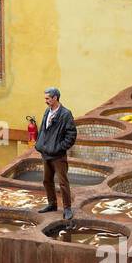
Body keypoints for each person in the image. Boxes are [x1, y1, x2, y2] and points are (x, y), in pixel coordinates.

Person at [34, 87, 78, 221]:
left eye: (47, 98)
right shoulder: (47, 111)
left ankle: (67, 208)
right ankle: (52, 204)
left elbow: (71, 134)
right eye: (45, 98)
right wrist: (40, 143)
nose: (45, 101)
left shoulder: (65, 114)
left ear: (55, 98)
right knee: (47, 181)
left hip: (58, 155)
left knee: (63, 182)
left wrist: (60, 148)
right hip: (46, 153)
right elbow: (43, 129)